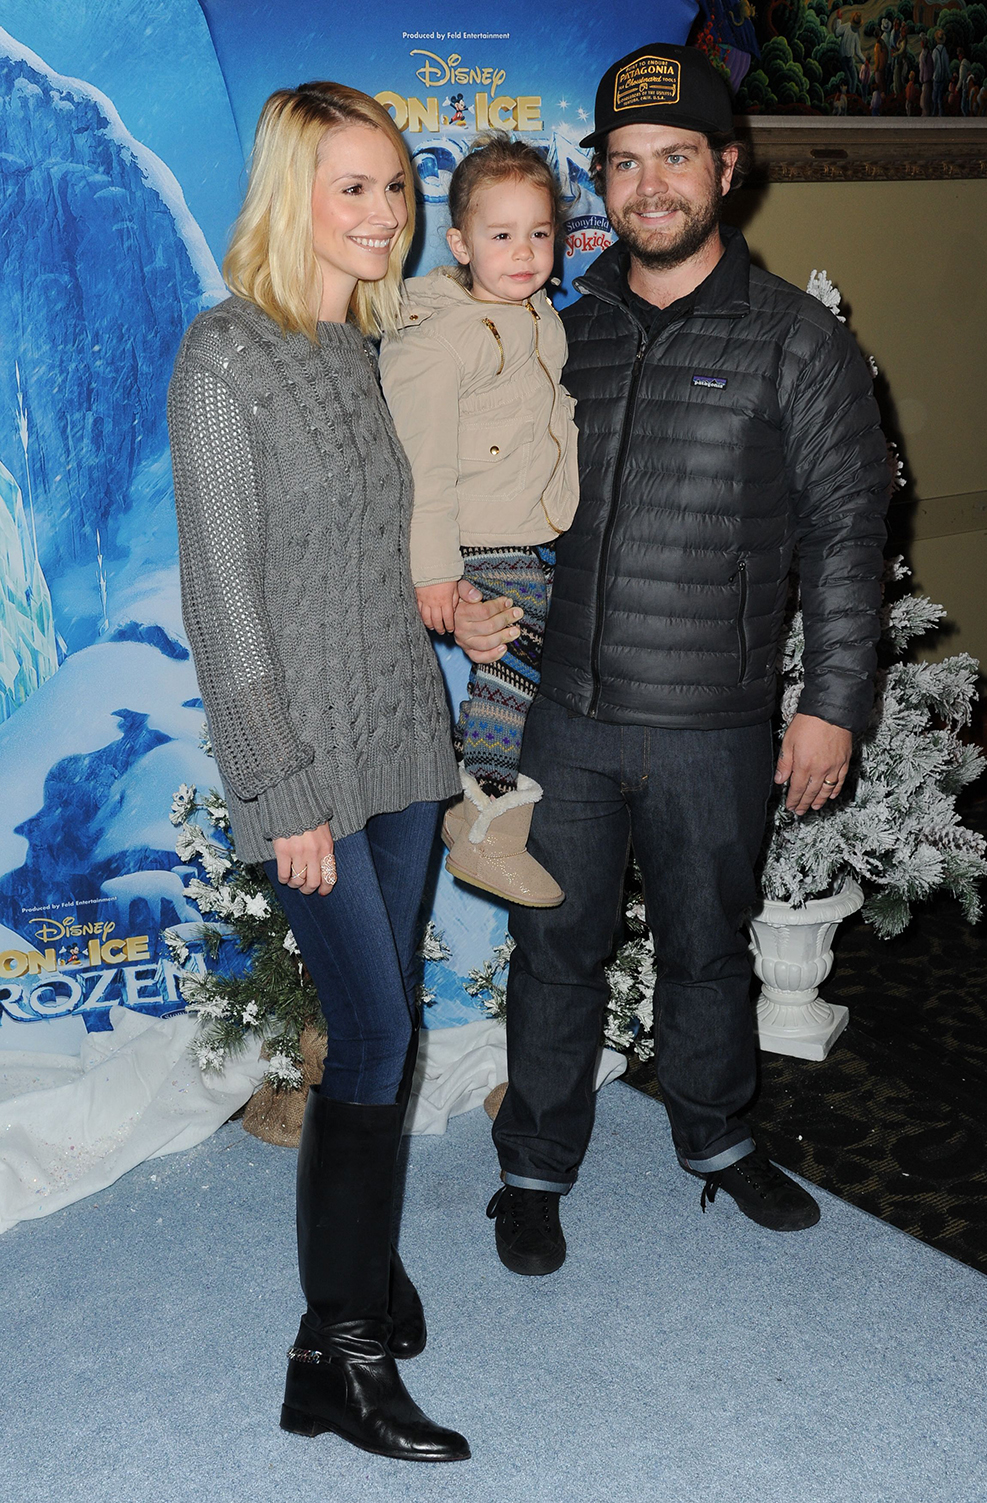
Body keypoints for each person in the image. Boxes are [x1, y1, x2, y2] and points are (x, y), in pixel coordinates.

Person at [454, 43, 889, 1276]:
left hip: (714, 719)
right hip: (565, 715)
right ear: (602, 179)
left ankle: (714, 1139)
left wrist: (834, 704)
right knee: (554, 952)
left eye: (676, 159)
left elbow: (848, 531)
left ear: (727, 171)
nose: (649, 186)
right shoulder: (553, 329)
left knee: (709, 947)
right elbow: (471, 475)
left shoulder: (797, 343)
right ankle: (533, 1165)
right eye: (626, 162)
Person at [167, 81, 469, 1463]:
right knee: (378, 1039)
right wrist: (280, 788)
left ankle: (366, 1264)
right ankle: (330, 1354)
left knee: (384, 1020)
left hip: (400, 737)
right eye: (353, 187)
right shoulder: (225, 355)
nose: (384, 212)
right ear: (292, 196)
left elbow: (364, 571)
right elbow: (225, 603)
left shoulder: (359, 347)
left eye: (395, 187)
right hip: (311, 769)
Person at [379, 134, 578, 909]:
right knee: (509, 667)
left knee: (521, 669)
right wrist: (433, 571)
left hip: (534, 527)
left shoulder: (539, 313)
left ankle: (472, 809)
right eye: (501, 235)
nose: (524, 252)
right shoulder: (438, 336)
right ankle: (492, 822)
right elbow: (419, 467)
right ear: (460, 242)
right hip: (480, 537)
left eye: (539, 233)